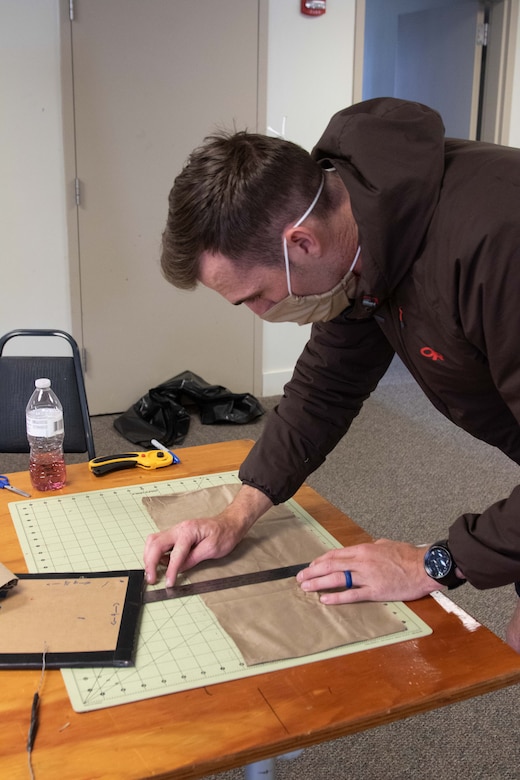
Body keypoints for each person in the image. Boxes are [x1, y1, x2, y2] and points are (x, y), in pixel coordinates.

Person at [143, 97, 520, 650]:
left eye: (257, 297)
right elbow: (326, 383)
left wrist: (433, 563)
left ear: (301, 242)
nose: (262, 314)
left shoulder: (498, 243)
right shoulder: (363, 238)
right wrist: (237, 513)